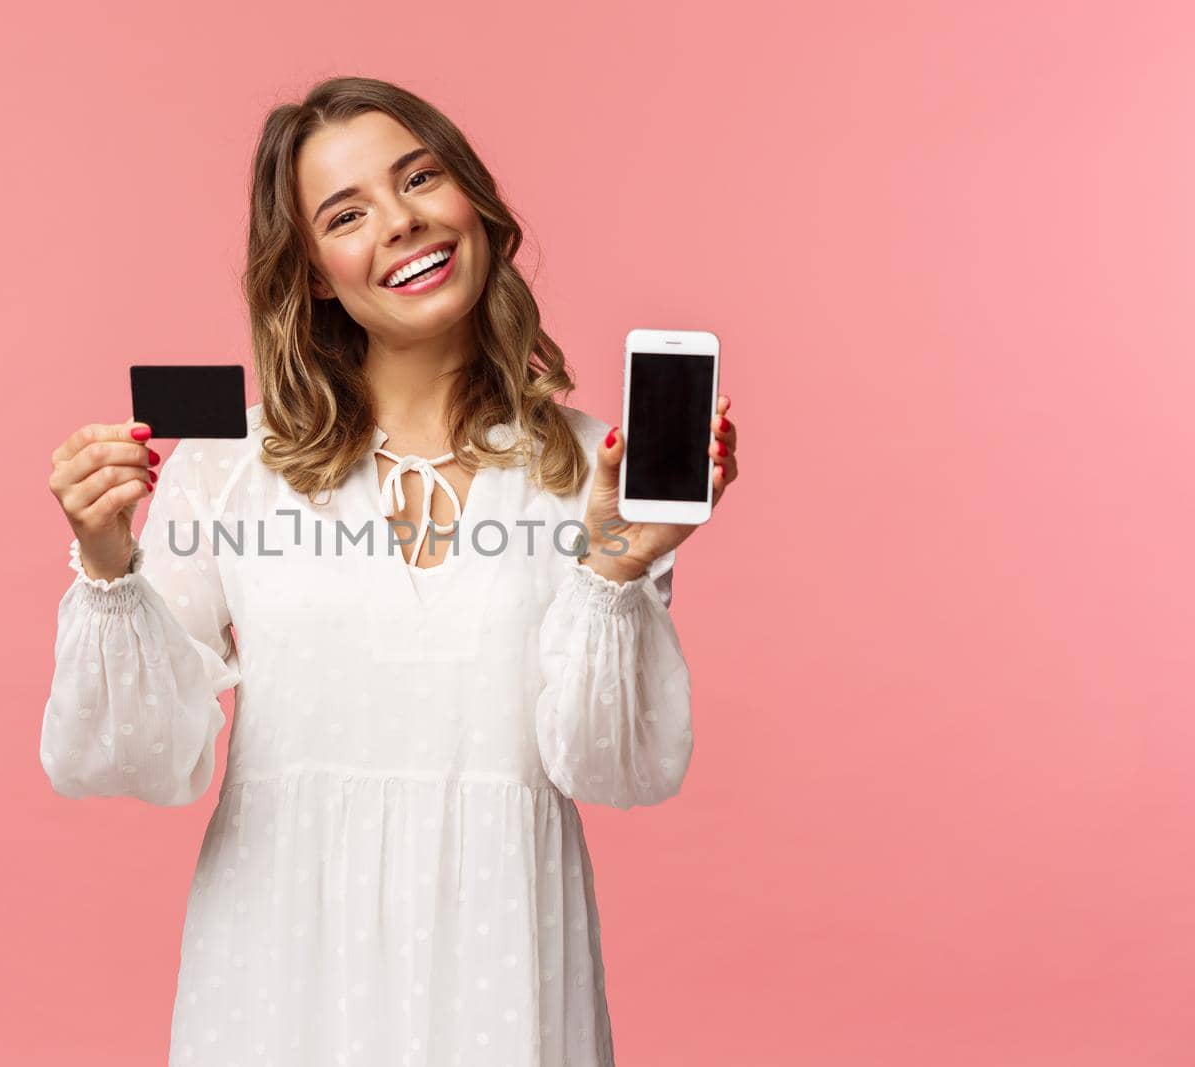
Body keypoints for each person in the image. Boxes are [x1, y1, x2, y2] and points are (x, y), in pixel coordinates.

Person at [42, 76, 739, 1066]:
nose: (401, 223)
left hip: (502, 956)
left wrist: (615, 567)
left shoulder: (599, 464)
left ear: (475, 202)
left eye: (421, 177)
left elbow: (610, 766)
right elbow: (140, 755)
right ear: (317, 273)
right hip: (279, 959)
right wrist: (108, 564)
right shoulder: (226, 461)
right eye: (346, 213)